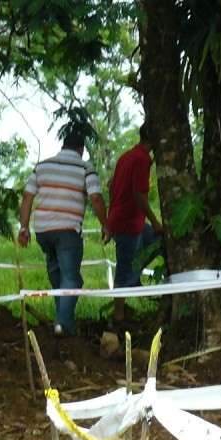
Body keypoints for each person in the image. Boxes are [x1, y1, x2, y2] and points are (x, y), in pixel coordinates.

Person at [17, 125, 109, 337]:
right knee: (72, 278)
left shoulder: (42, 166)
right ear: (81, 149)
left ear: (63, 146)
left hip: (42, 231)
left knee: (57, 274)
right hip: (67, 229)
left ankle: (63, 322)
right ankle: (63, 323)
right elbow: (95, 197)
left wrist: (24, 227)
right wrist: (105, 224)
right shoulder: (85, 167)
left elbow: (28, 196)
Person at [106, 124, 163, 324]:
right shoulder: (142, 159)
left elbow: (111, 187)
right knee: (124, 268)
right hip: (128, 223)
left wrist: (109, 221)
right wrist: (155, 221)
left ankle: (135, 276)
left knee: (159, 241)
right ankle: (118, 315)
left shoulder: (126, 156)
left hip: (124, 219)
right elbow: (139, 196)